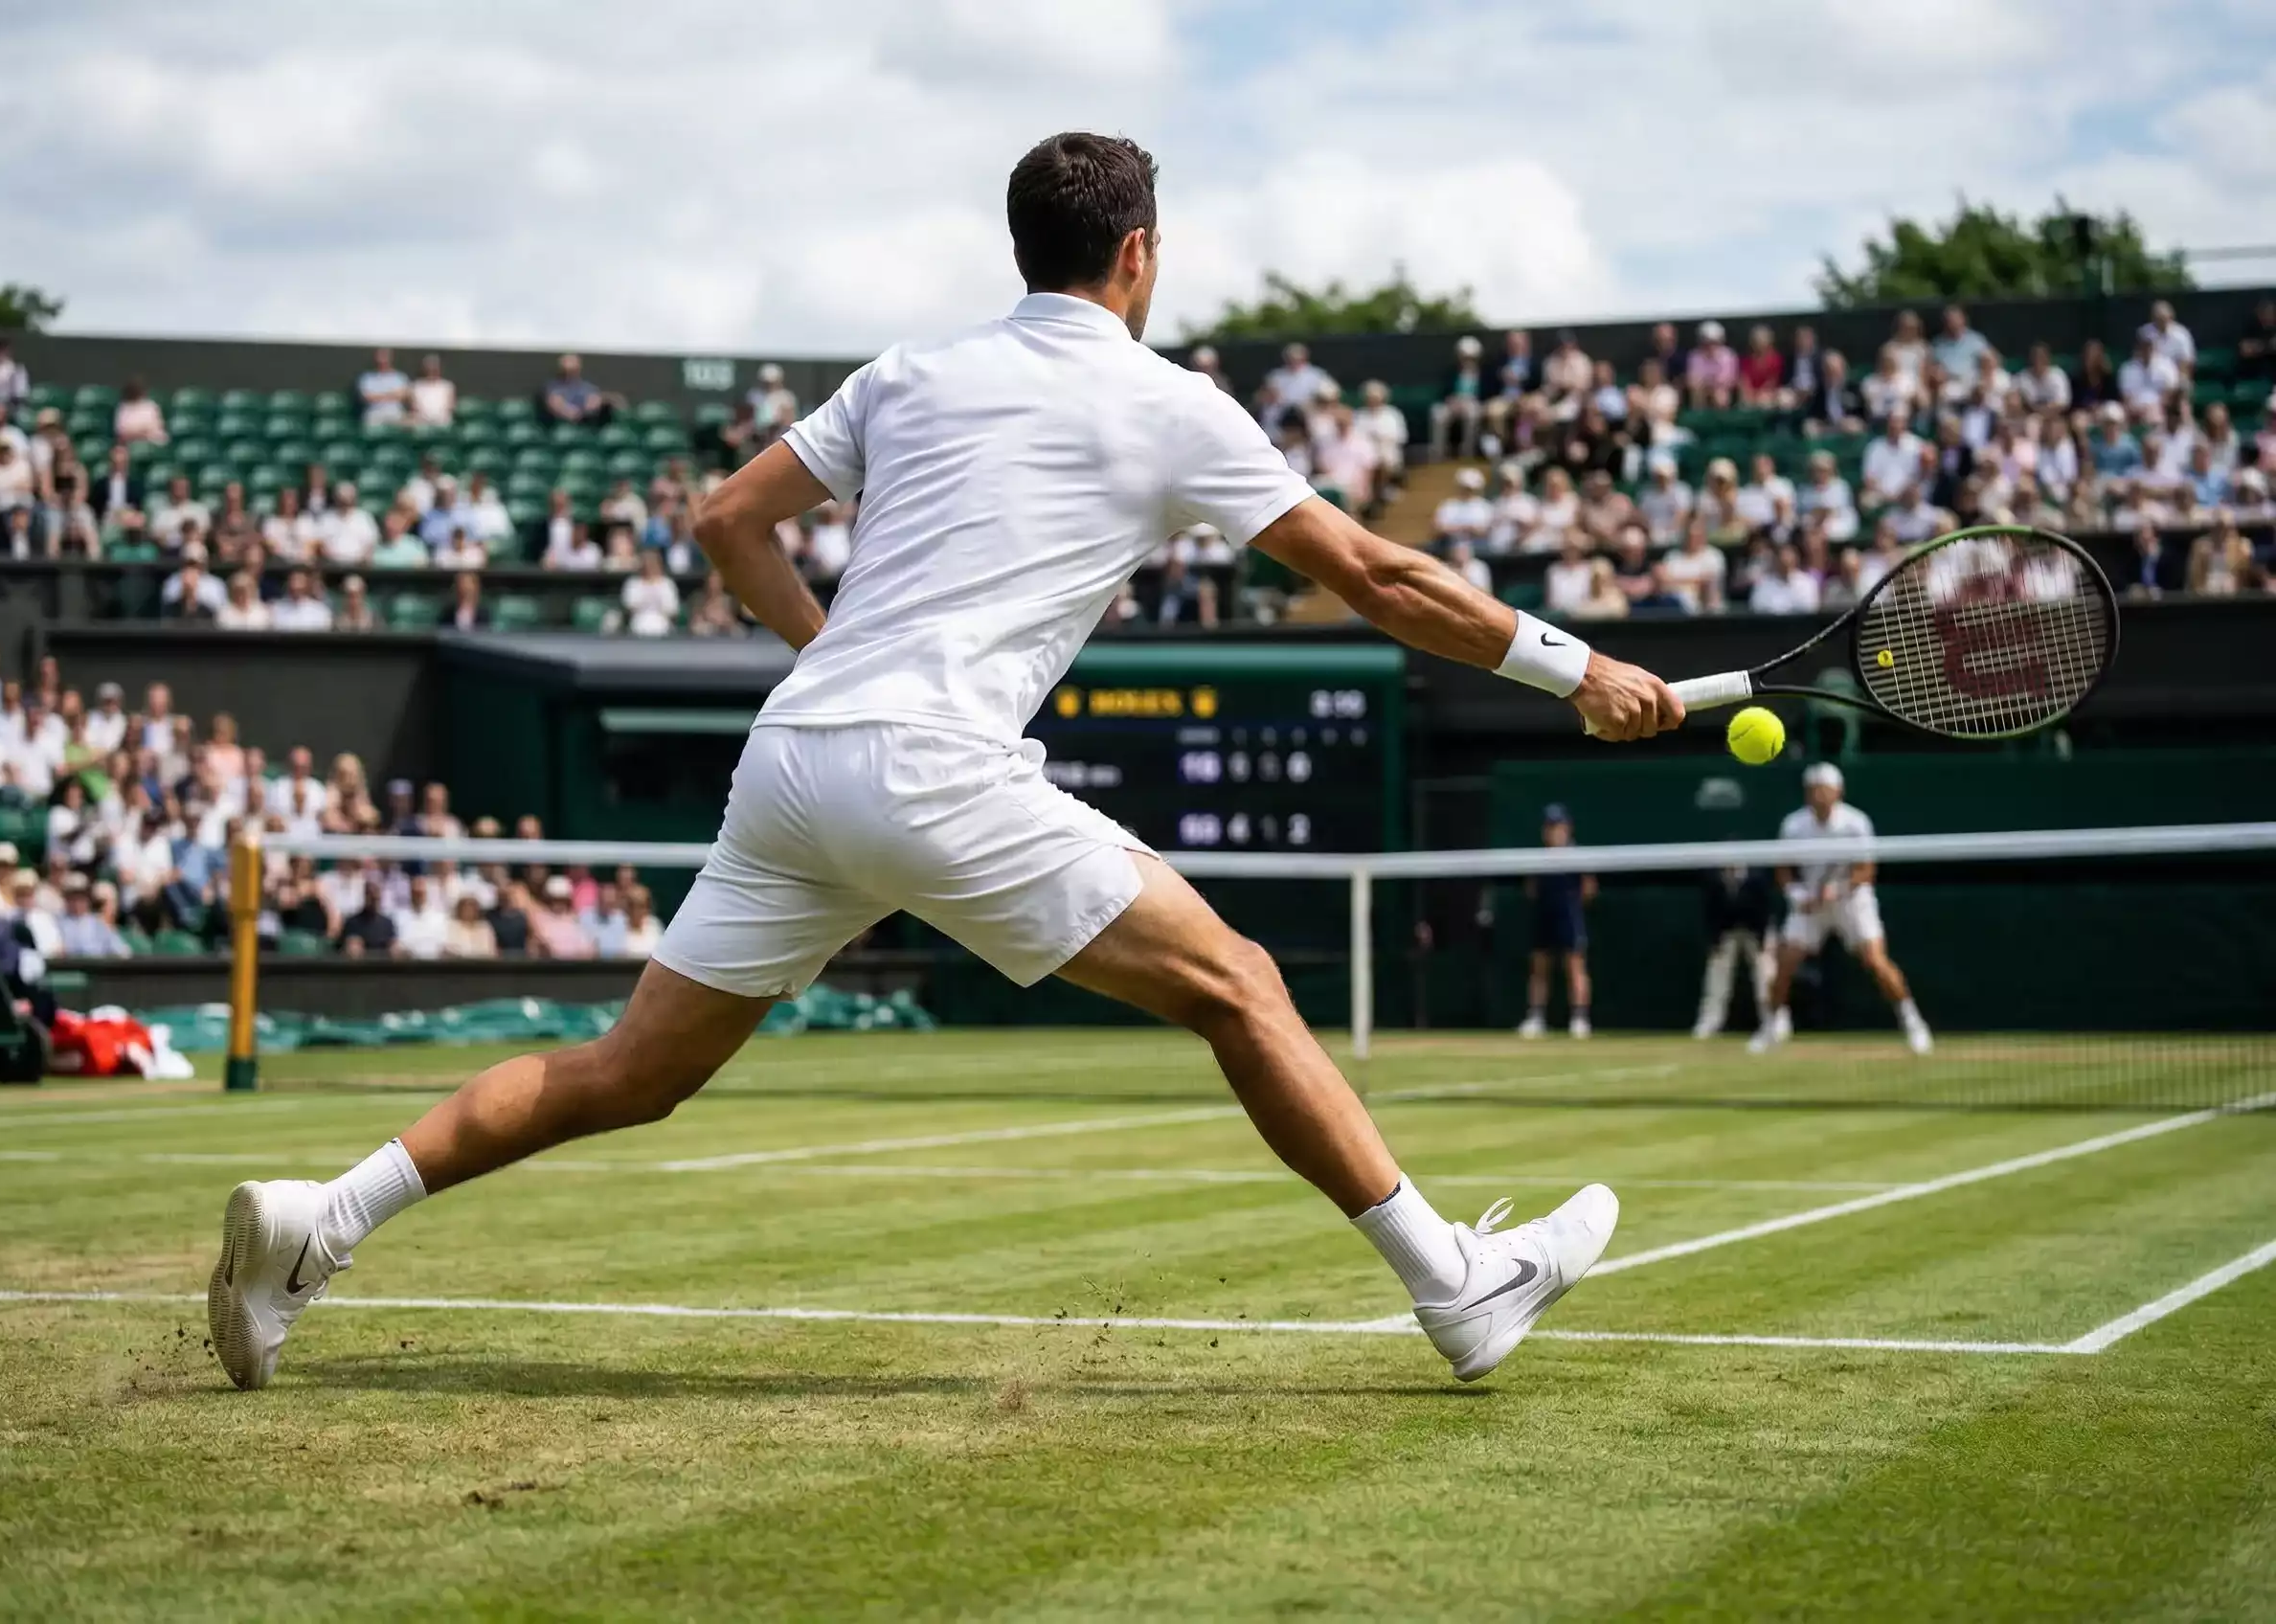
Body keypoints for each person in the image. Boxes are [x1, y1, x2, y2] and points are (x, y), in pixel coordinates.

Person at [205, 129, 1679, 1396]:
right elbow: (1377, 575)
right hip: (931, 769)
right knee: (1241, 984)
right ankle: (1455, 1286)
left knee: (628, 1072)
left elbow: (726, 521)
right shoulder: (1169, 403)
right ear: (1140, 257)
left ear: (1027, 248)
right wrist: (1581, 667)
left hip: (794, 767)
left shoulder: (908, 372)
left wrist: (823, 654)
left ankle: (320, 1220)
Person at [1749, 763, 1932, 1056]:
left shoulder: (1856, 823)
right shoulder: (1793, 825)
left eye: (1824, 788)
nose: (1818, 794)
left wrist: (1838, 889)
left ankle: (1913, 1023)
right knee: (1784, 962)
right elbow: (1783, 870)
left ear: (1838, 791)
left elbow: (1866, 870)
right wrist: (1798, 895)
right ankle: (1772, 1026)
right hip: (1810, 903)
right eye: (1813, 789)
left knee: (1876, 962)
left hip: (1852, 901)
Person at [1516, 805, 1594, 1040]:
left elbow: (1589, 888)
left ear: (1567, 828)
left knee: (1575, 966)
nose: (1554, 832)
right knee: (1539, 968)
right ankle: (1536, 1018)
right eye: (1549, 827)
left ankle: (1580, 1019)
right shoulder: (1539, 858)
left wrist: (1572, 906)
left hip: (1569, 917)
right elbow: (1530, 888)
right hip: (1544, 916)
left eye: (1558, 826)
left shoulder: (1577, 856)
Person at [1691, 865, 1776, 1039]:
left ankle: (1774, 1020)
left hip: (1756, 928)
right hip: (1726, 929)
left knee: (1766, 972)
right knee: (1717, 972)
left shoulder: (1757, 877)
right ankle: (1710, 1021)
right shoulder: (1713, 878)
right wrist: (1715, 942)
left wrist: (1764, 941)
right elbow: (1710, 911)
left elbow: (1765, 909)